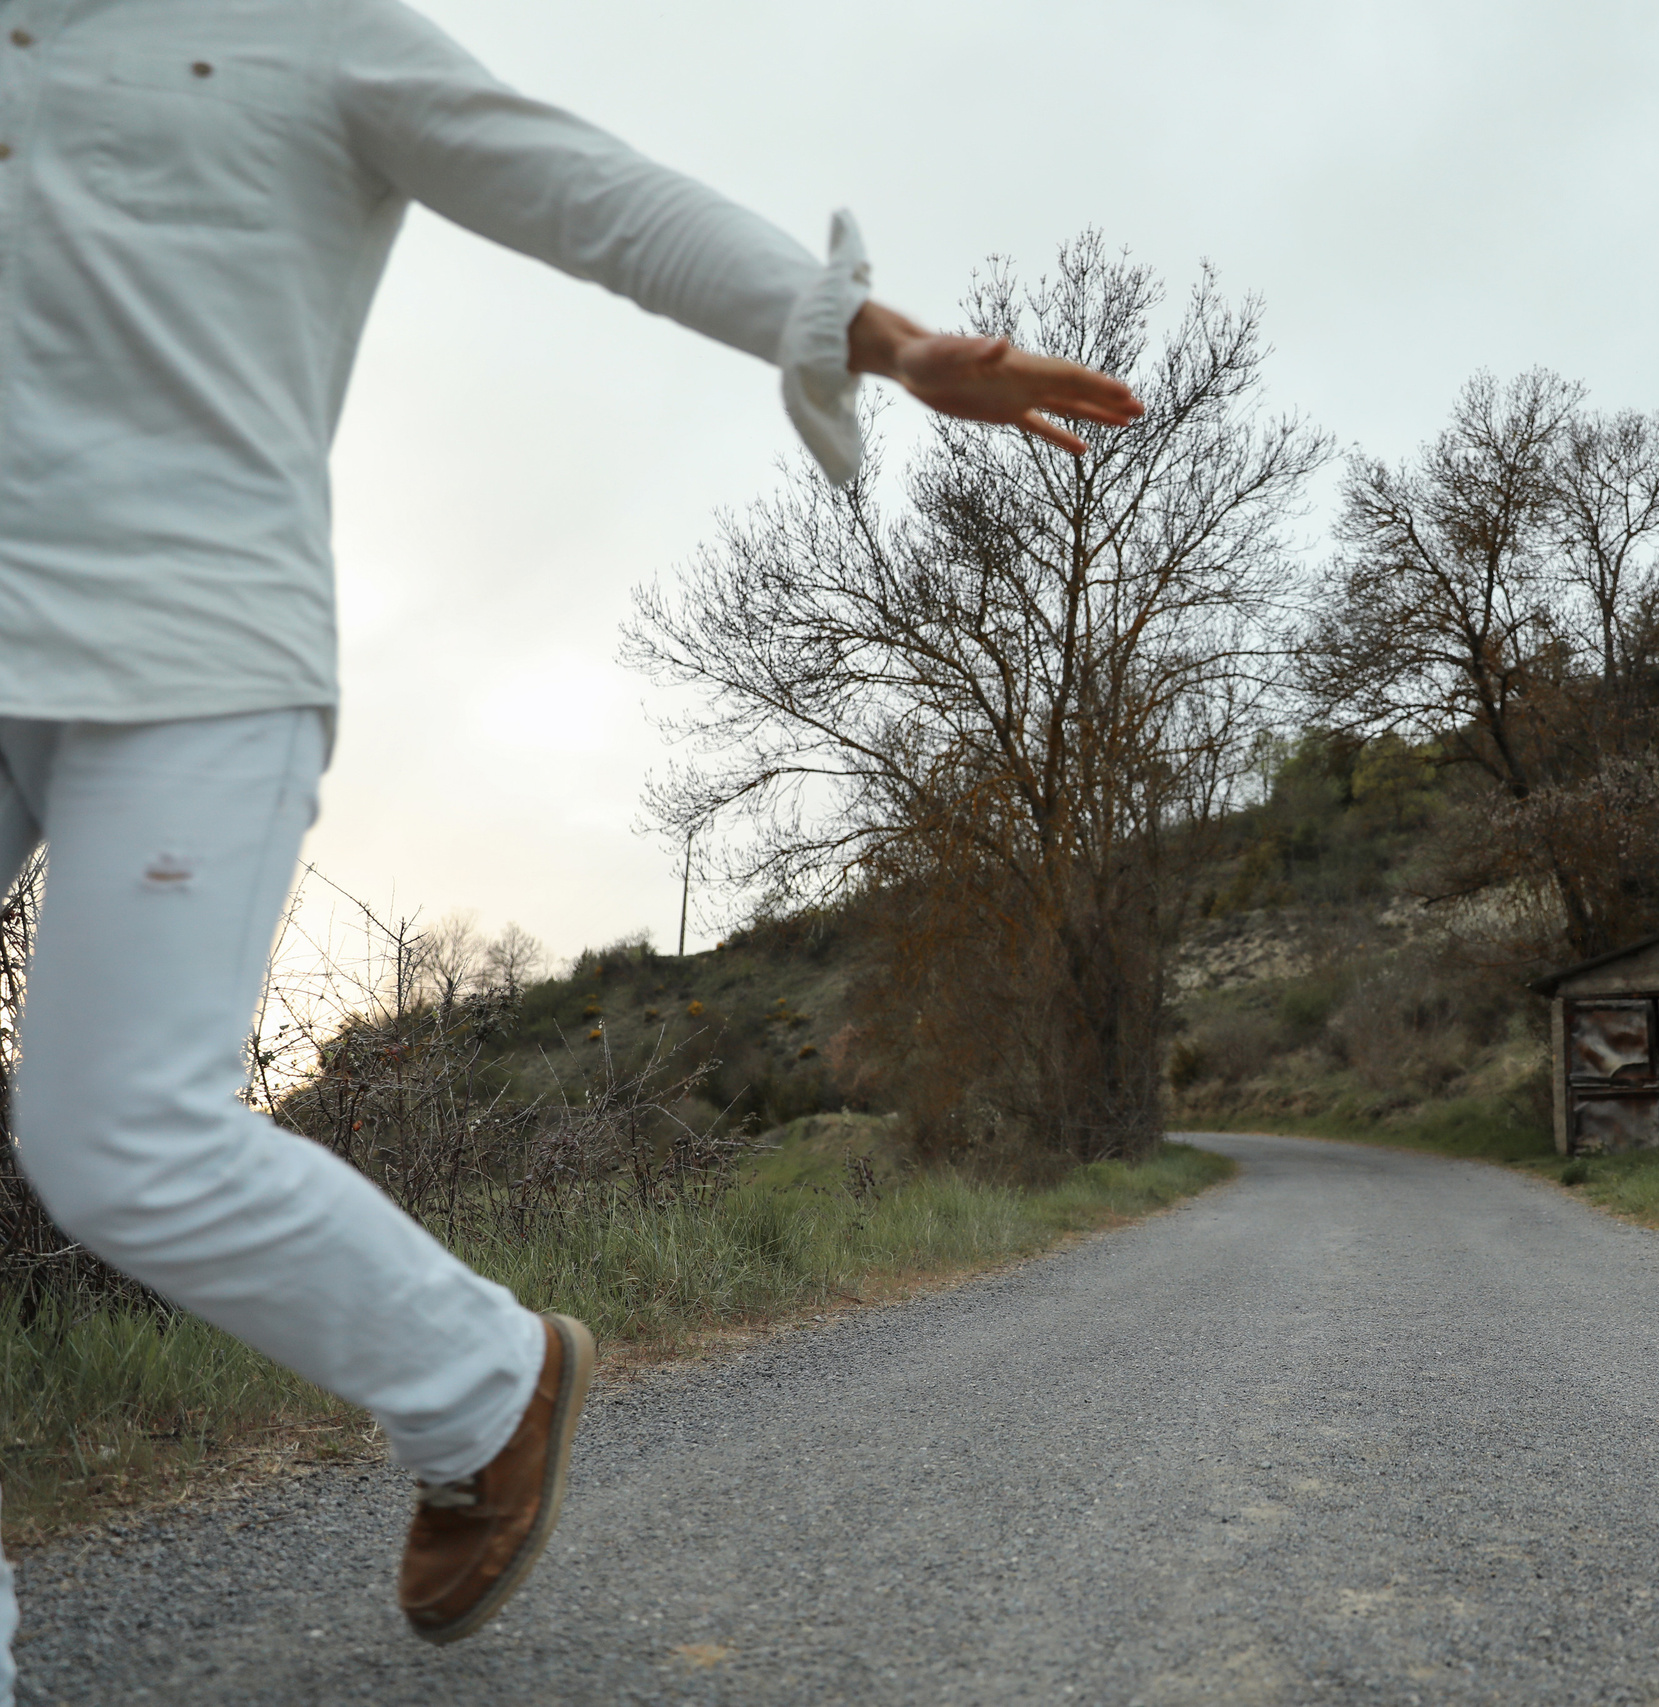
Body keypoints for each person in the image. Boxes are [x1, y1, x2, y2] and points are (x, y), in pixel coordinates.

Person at [0, 0, 1141, 1687]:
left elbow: (595, 196)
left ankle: (482, 1379)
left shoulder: (313, 35)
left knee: (111, 1140)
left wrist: (876, 341)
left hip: (197, 655)